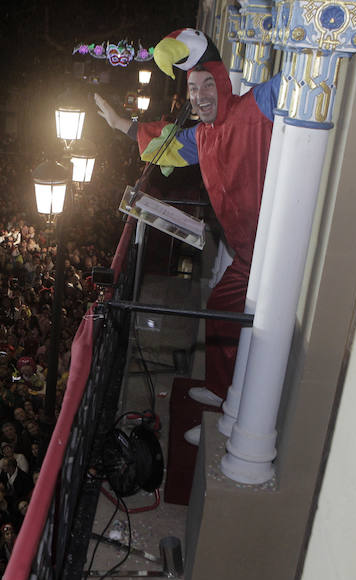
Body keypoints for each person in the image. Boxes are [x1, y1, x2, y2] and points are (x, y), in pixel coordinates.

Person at [95, 28, 278, 443]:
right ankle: (219, 390)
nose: (200, 96)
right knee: (221, 306)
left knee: (228, 310)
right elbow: (167, 143)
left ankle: (235, 411)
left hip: (275, 253)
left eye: (208, 84)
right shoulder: (203, 135)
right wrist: (121, 125)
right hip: (250, 255)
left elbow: (300, 81)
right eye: (193, 89)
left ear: (224, 82)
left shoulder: (255, 109)